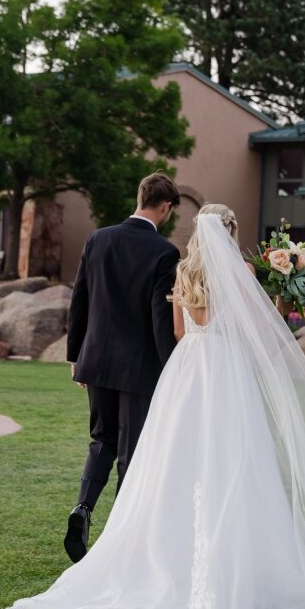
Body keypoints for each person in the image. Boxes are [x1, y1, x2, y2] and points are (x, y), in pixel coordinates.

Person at [5, 205, 305, 609]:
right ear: (230, 233)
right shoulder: (245, 272)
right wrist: (285, 294)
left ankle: (167, 558)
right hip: (225, 369)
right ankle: (239, 565)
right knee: (236, 461)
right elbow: (258, 327)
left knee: (174, 462)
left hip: (188, 371)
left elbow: (184, 334)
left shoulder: (184, 271)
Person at [63, 172, 181, 563]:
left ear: (140, 196)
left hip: (96, 359)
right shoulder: (164, 252)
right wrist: (172, 369)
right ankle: (121, 540)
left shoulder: (98, 239)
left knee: (102, 439)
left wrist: (75, 356)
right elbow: (158, 319)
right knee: (131, 451)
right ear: (165, 206)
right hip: (139, 368)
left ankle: (82, 508)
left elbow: (80, 299)